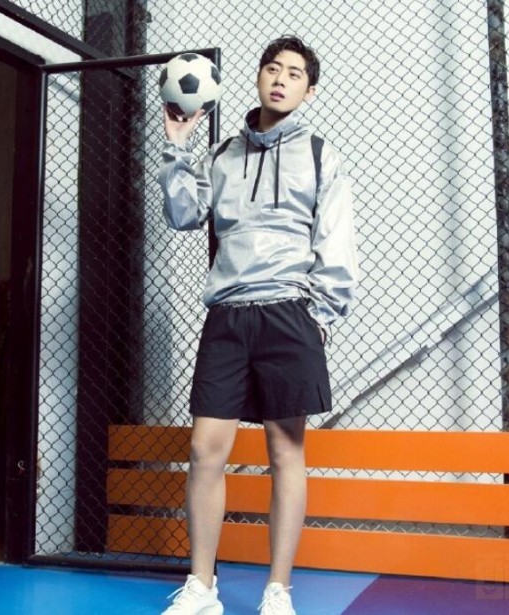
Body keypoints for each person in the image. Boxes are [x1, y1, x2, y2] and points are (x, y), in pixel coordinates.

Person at [158, 35, 357, 615]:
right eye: (273, 69)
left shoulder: (320, 153)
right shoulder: (222, 154)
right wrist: (176, 148)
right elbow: (183, 215)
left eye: (294, 74)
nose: (281, 79)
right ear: (257, 78)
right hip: (227, 315)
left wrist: (319, 319)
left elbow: (335, 239)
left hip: (288, 314)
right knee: (205, 450)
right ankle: (202, 588)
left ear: (308, 90)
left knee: (285, 451)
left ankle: (278, 591)